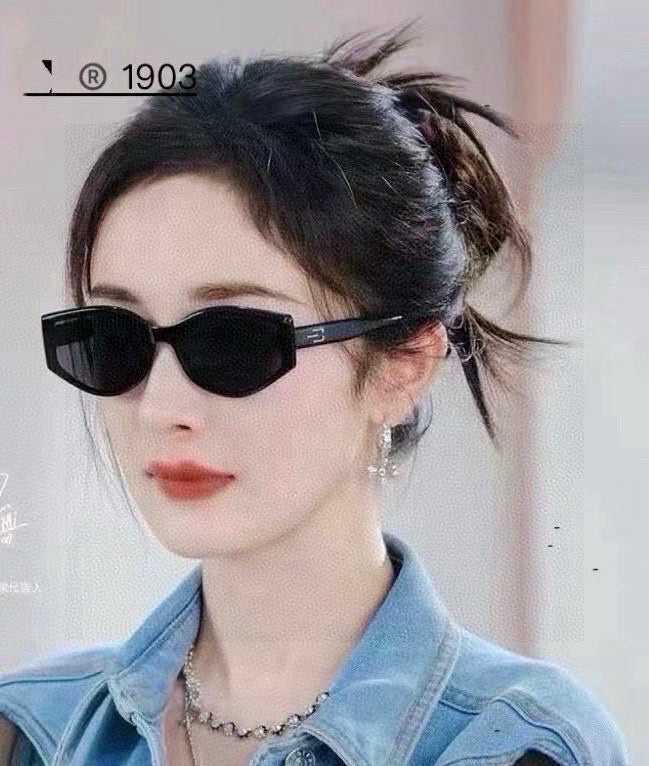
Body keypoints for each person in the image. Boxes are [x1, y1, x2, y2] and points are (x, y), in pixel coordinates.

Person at [0, 20, 629, 766]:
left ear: (403, 364)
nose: (161, 407)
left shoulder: (515, 743)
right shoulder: (28, 730)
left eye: (233, 341)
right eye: (115, 338)